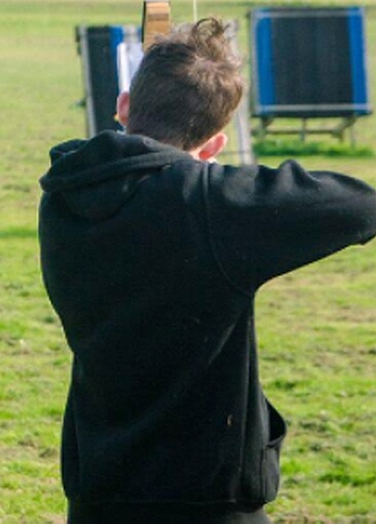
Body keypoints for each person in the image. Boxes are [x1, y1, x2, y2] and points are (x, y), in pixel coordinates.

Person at [38, 18, 376, 523]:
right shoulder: (213, 207)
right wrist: (217, 181)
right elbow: (359, 206)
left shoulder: (68, 193)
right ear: (217, 144)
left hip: (98, 496)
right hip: (205, 501)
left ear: (124, 106)